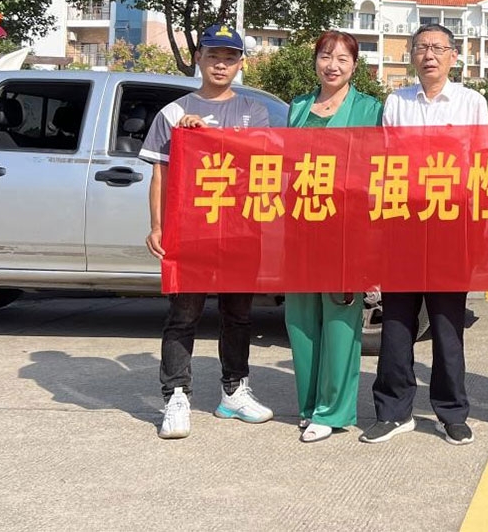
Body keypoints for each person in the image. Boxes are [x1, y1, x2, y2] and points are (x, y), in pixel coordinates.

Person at [141, 23, 273, 440]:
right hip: (190, 231)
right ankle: (176, 395)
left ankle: (234, 390)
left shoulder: (255, 111)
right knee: (184, 315)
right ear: (199, 58)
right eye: (213, 55)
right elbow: (160, 175)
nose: (221, 64)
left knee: (238, 314)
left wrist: (211, 136)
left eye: (230, 58)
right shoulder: (174, 114)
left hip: (240, 229)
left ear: (240, 64)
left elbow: (262, 162)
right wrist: (158, 226)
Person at [361, 24, 488, 446]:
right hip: (402, 224)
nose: (429, 55)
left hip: (451, 226)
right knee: (397, 321)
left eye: (438, 48)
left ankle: (452, 412)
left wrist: (480, 230)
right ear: (412, 55)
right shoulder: (396, 102)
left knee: (447, 323)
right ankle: (393, 411)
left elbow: (483, 166)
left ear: (454, 56)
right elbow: (383, 164)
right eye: (421, 48)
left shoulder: (471, 102)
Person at [285, 31, 383, 443]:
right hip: (300, 227)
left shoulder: (370, 109)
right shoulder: (298, 107)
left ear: (354, 66)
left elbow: (378, 173)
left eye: (342, 58)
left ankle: (333, 410)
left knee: (341, 320)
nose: (333, 65)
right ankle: (308, 406)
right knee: (301, 320)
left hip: (346, 230)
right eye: (326, 56)